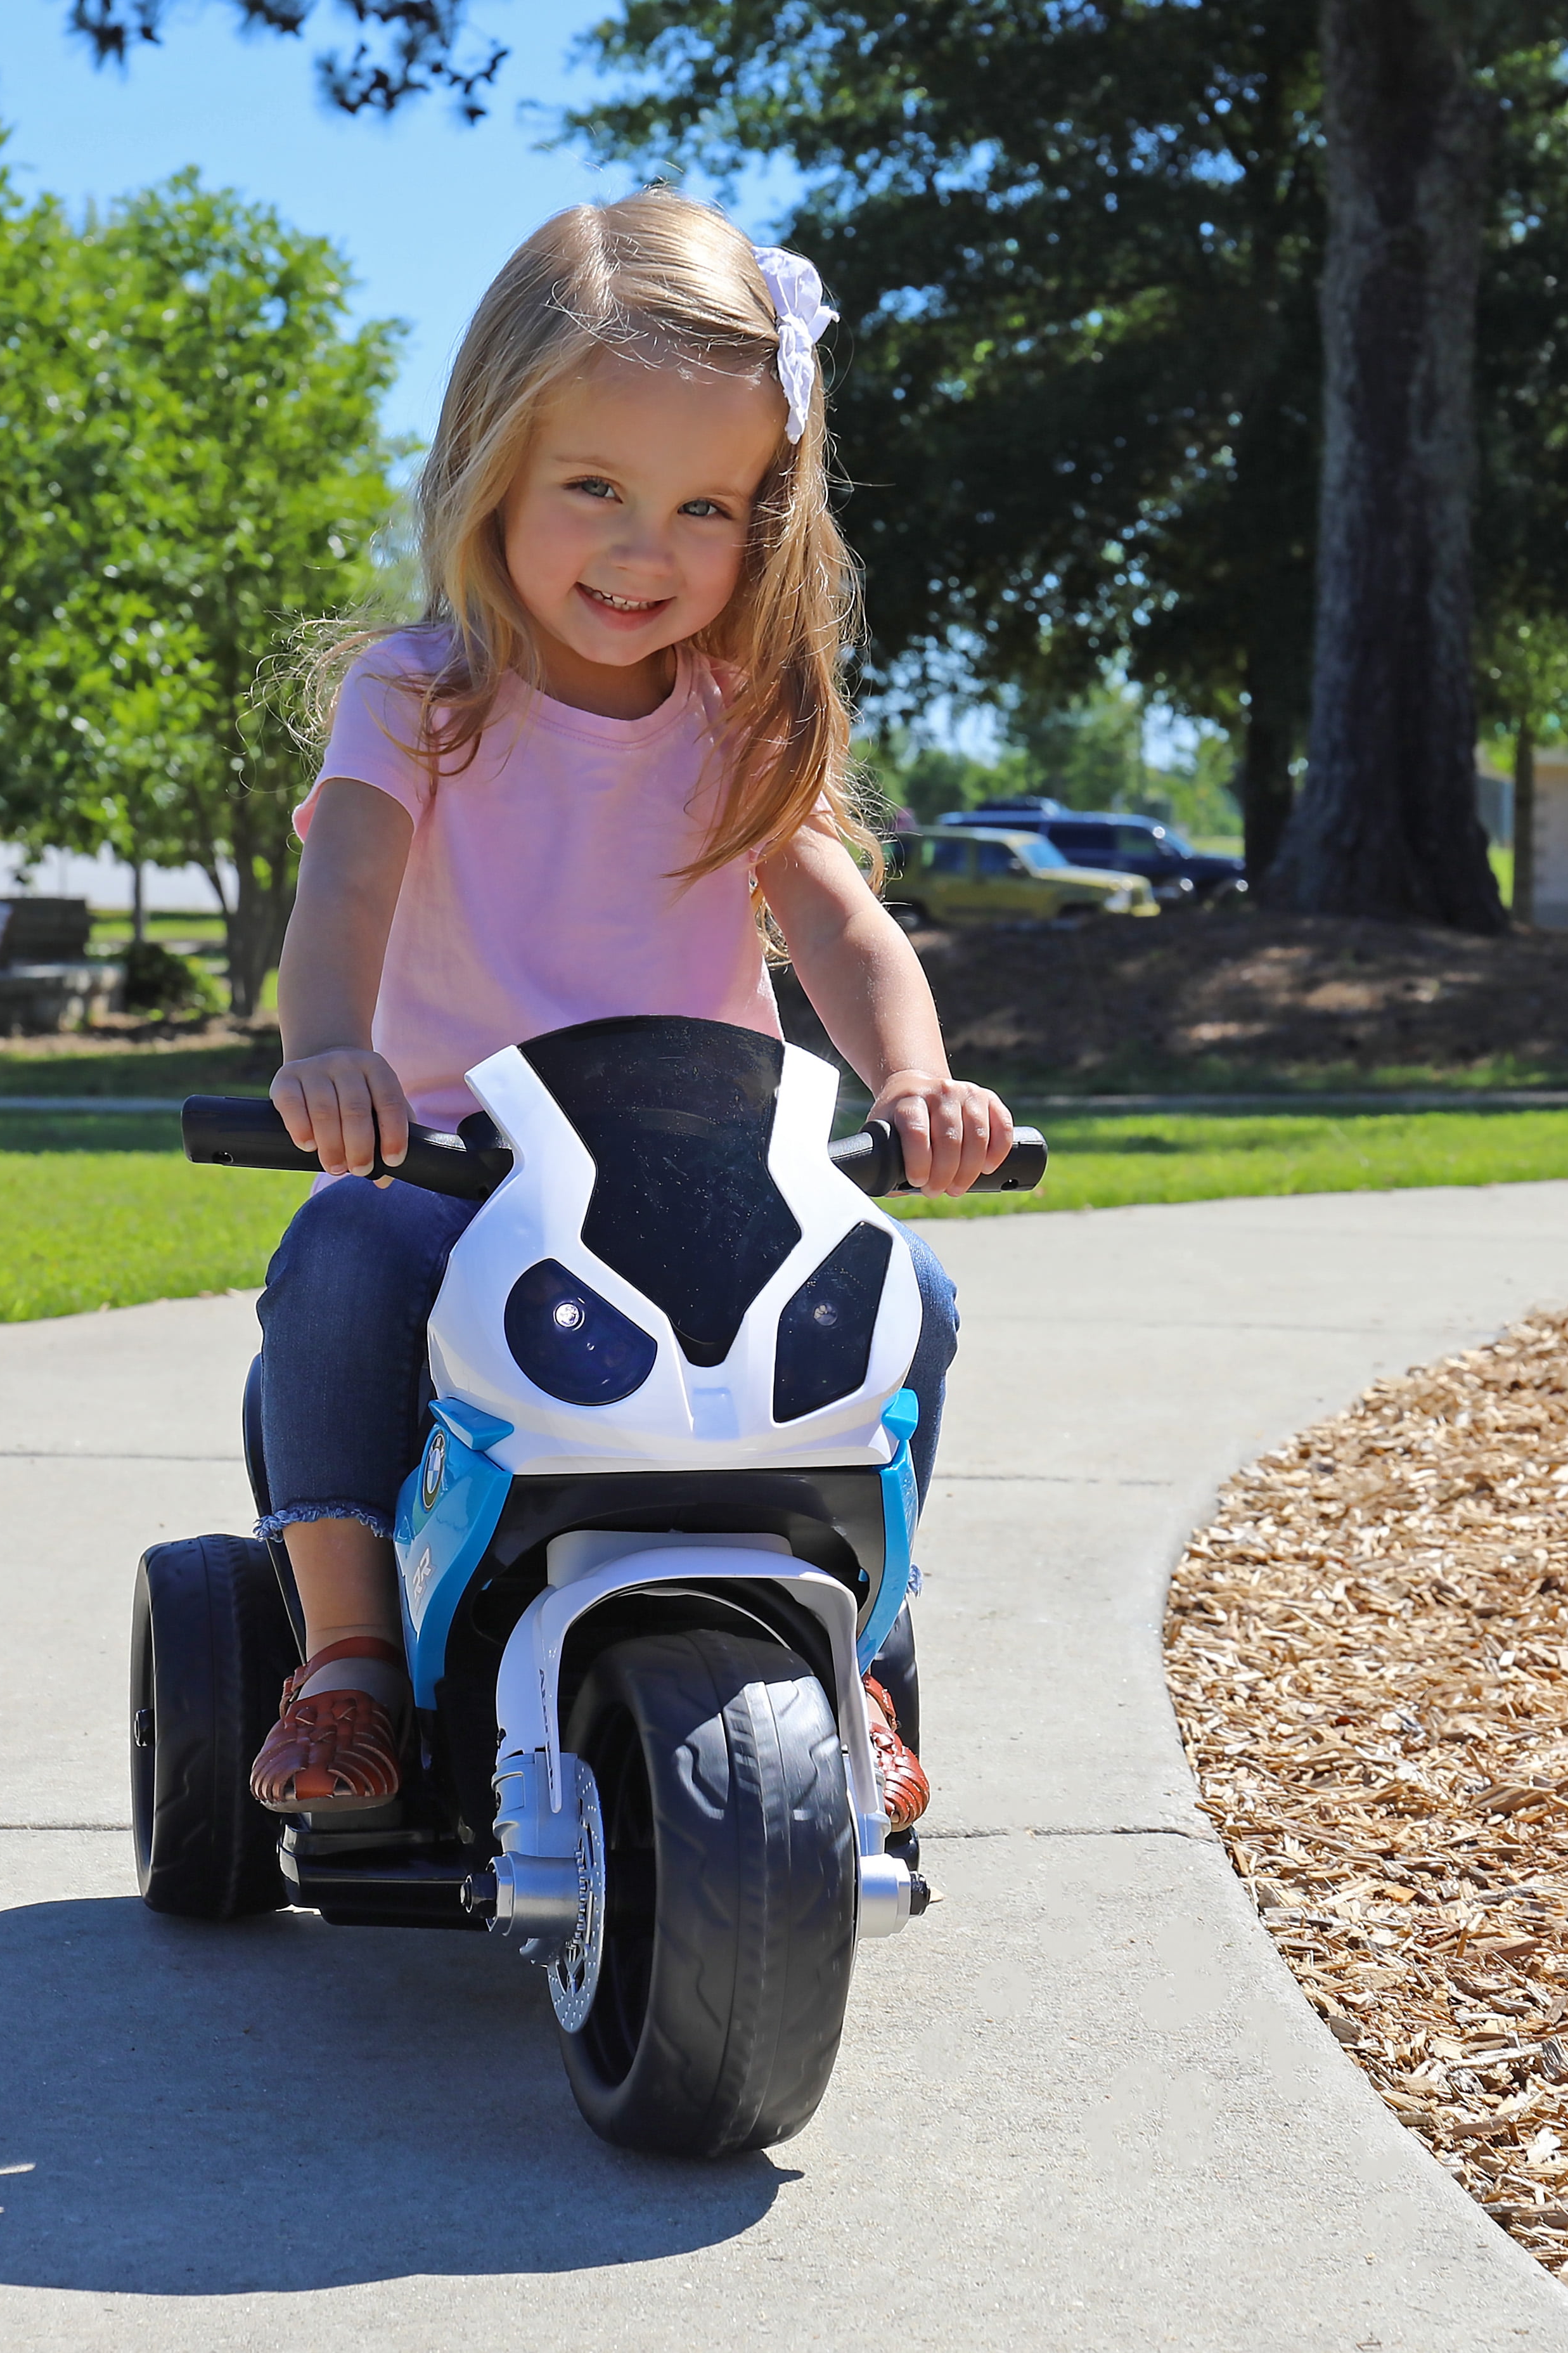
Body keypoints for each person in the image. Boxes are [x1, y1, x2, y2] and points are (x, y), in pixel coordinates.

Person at [244, 191, 1010, 1834]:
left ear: (768, 517)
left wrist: (920, 1079)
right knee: (334, 1263)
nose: (642, 549)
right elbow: (346, 899)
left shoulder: (742, 719)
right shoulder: (421, 698)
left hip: (707, 1195)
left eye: (704, 506)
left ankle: (852, 1645)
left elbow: (846, 931)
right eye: (593, 487)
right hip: (452, 1179)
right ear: (491, 466)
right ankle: (351, 1654)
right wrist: (328, 1051)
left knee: (916, 1298)